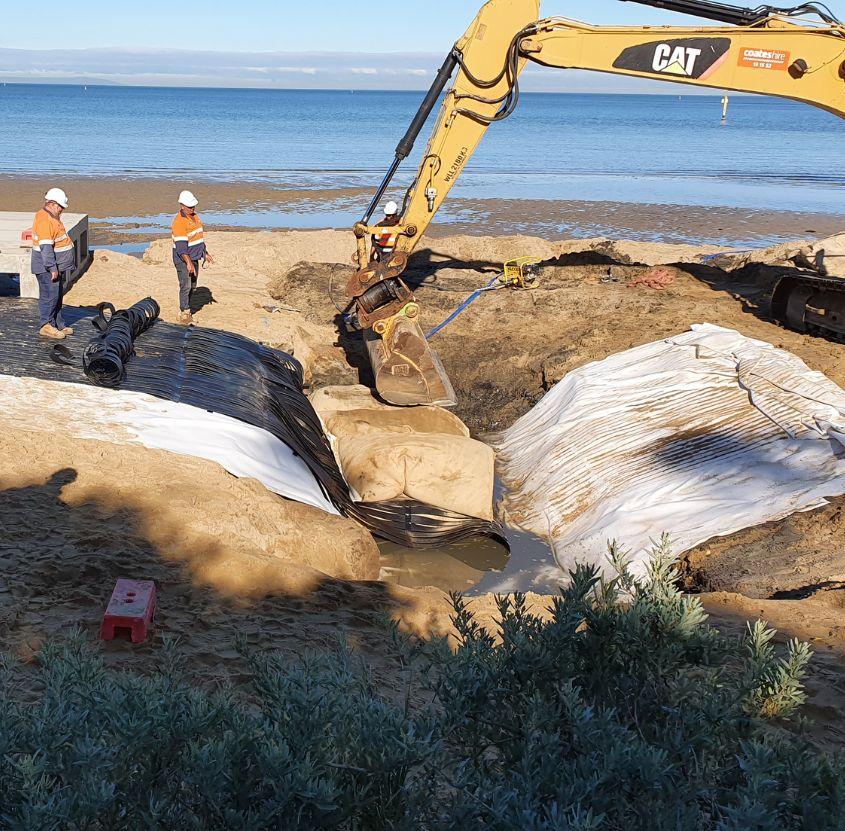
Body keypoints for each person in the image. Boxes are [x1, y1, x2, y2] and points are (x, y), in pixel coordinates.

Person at [31, 187, 75, 339]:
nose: (62, 210)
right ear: (52, 203)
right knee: (49, 296)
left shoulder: (51, 216)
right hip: (47, 268)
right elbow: (46, 248)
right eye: (61, 207)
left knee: (56, 295)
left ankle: (58, 323)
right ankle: (46, 325)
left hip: (56, 266)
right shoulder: (45, 220)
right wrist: (52, 268)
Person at [171, 190, 214, 324]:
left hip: (194, 256)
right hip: (183, 258)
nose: (192, 208)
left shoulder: (195, 217)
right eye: (190, 206)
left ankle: (187, 305)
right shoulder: (179, 222)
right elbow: (181, 247)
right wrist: (188, 263)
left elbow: (198, 238)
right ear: (182, 205)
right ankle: (184, 312)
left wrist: (205, 253)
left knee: (193, 285)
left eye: (193, 206)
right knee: (186, 285)